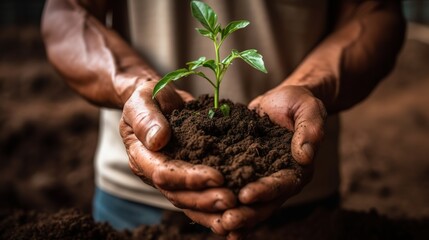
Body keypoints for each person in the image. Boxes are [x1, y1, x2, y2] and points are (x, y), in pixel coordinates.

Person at [42, 0, 405, 239]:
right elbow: (67, 11)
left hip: (296, 193)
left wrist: (309, 87)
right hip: (132, 199)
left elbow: (375, 11)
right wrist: (133, 85)